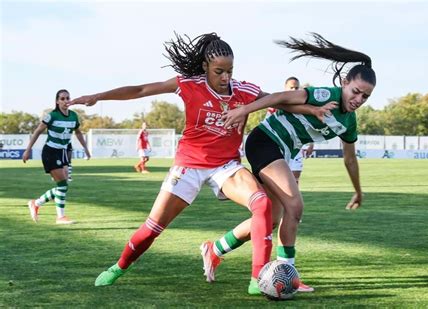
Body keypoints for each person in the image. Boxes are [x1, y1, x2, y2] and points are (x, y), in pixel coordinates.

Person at [68, 32, 273, 294]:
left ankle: (258, 278)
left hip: (227, 166)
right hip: (189, 164)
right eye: (219, 71)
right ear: (205, 68)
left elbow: (277, 99)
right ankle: (118, 267)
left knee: (262, 203)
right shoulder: (188, 84)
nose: (225, 78)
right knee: (153, 228)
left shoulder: (245, 91)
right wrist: (99, 96)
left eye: (230, 71)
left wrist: (313, 107)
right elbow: (141, 90)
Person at [206, 32, 376, 293]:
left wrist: (358, 190)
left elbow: (350, 160)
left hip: (279, 151)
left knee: (271, 219)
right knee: (294, 206)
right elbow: (278, 98)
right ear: (344, 82)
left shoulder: (348, 122)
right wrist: (243, 110)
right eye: (355, 91)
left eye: (365, 97)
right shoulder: (322, 95)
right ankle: (287, 275)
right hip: (265, 141)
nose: (358, 100)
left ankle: (214, 250)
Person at [22, 89, 91, 224]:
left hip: (63, 153)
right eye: (62, 99)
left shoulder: (73, 116)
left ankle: (36, 203)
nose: (65, 101)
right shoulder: (52, 116)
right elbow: (37, 131)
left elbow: (78, 133)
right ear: (57, 101)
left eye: (67, 98)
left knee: (62, 186)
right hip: (50, 152)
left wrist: (86, 148)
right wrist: (28, 150)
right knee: (63, 184)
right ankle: (60, 217)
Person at [266, 76, 314, 185]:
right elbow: (267, 125)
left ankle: (292, 201)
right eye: (291, 88)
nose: (294, 90)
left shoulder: (304, 105)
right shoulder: (275, 104)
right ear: (285, 88)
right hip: (280, 147)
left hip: (296, 148)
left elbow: (309, 126)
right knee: (279, 180)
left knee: (295, 180)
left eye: (296, 88)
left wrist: (311, 144)